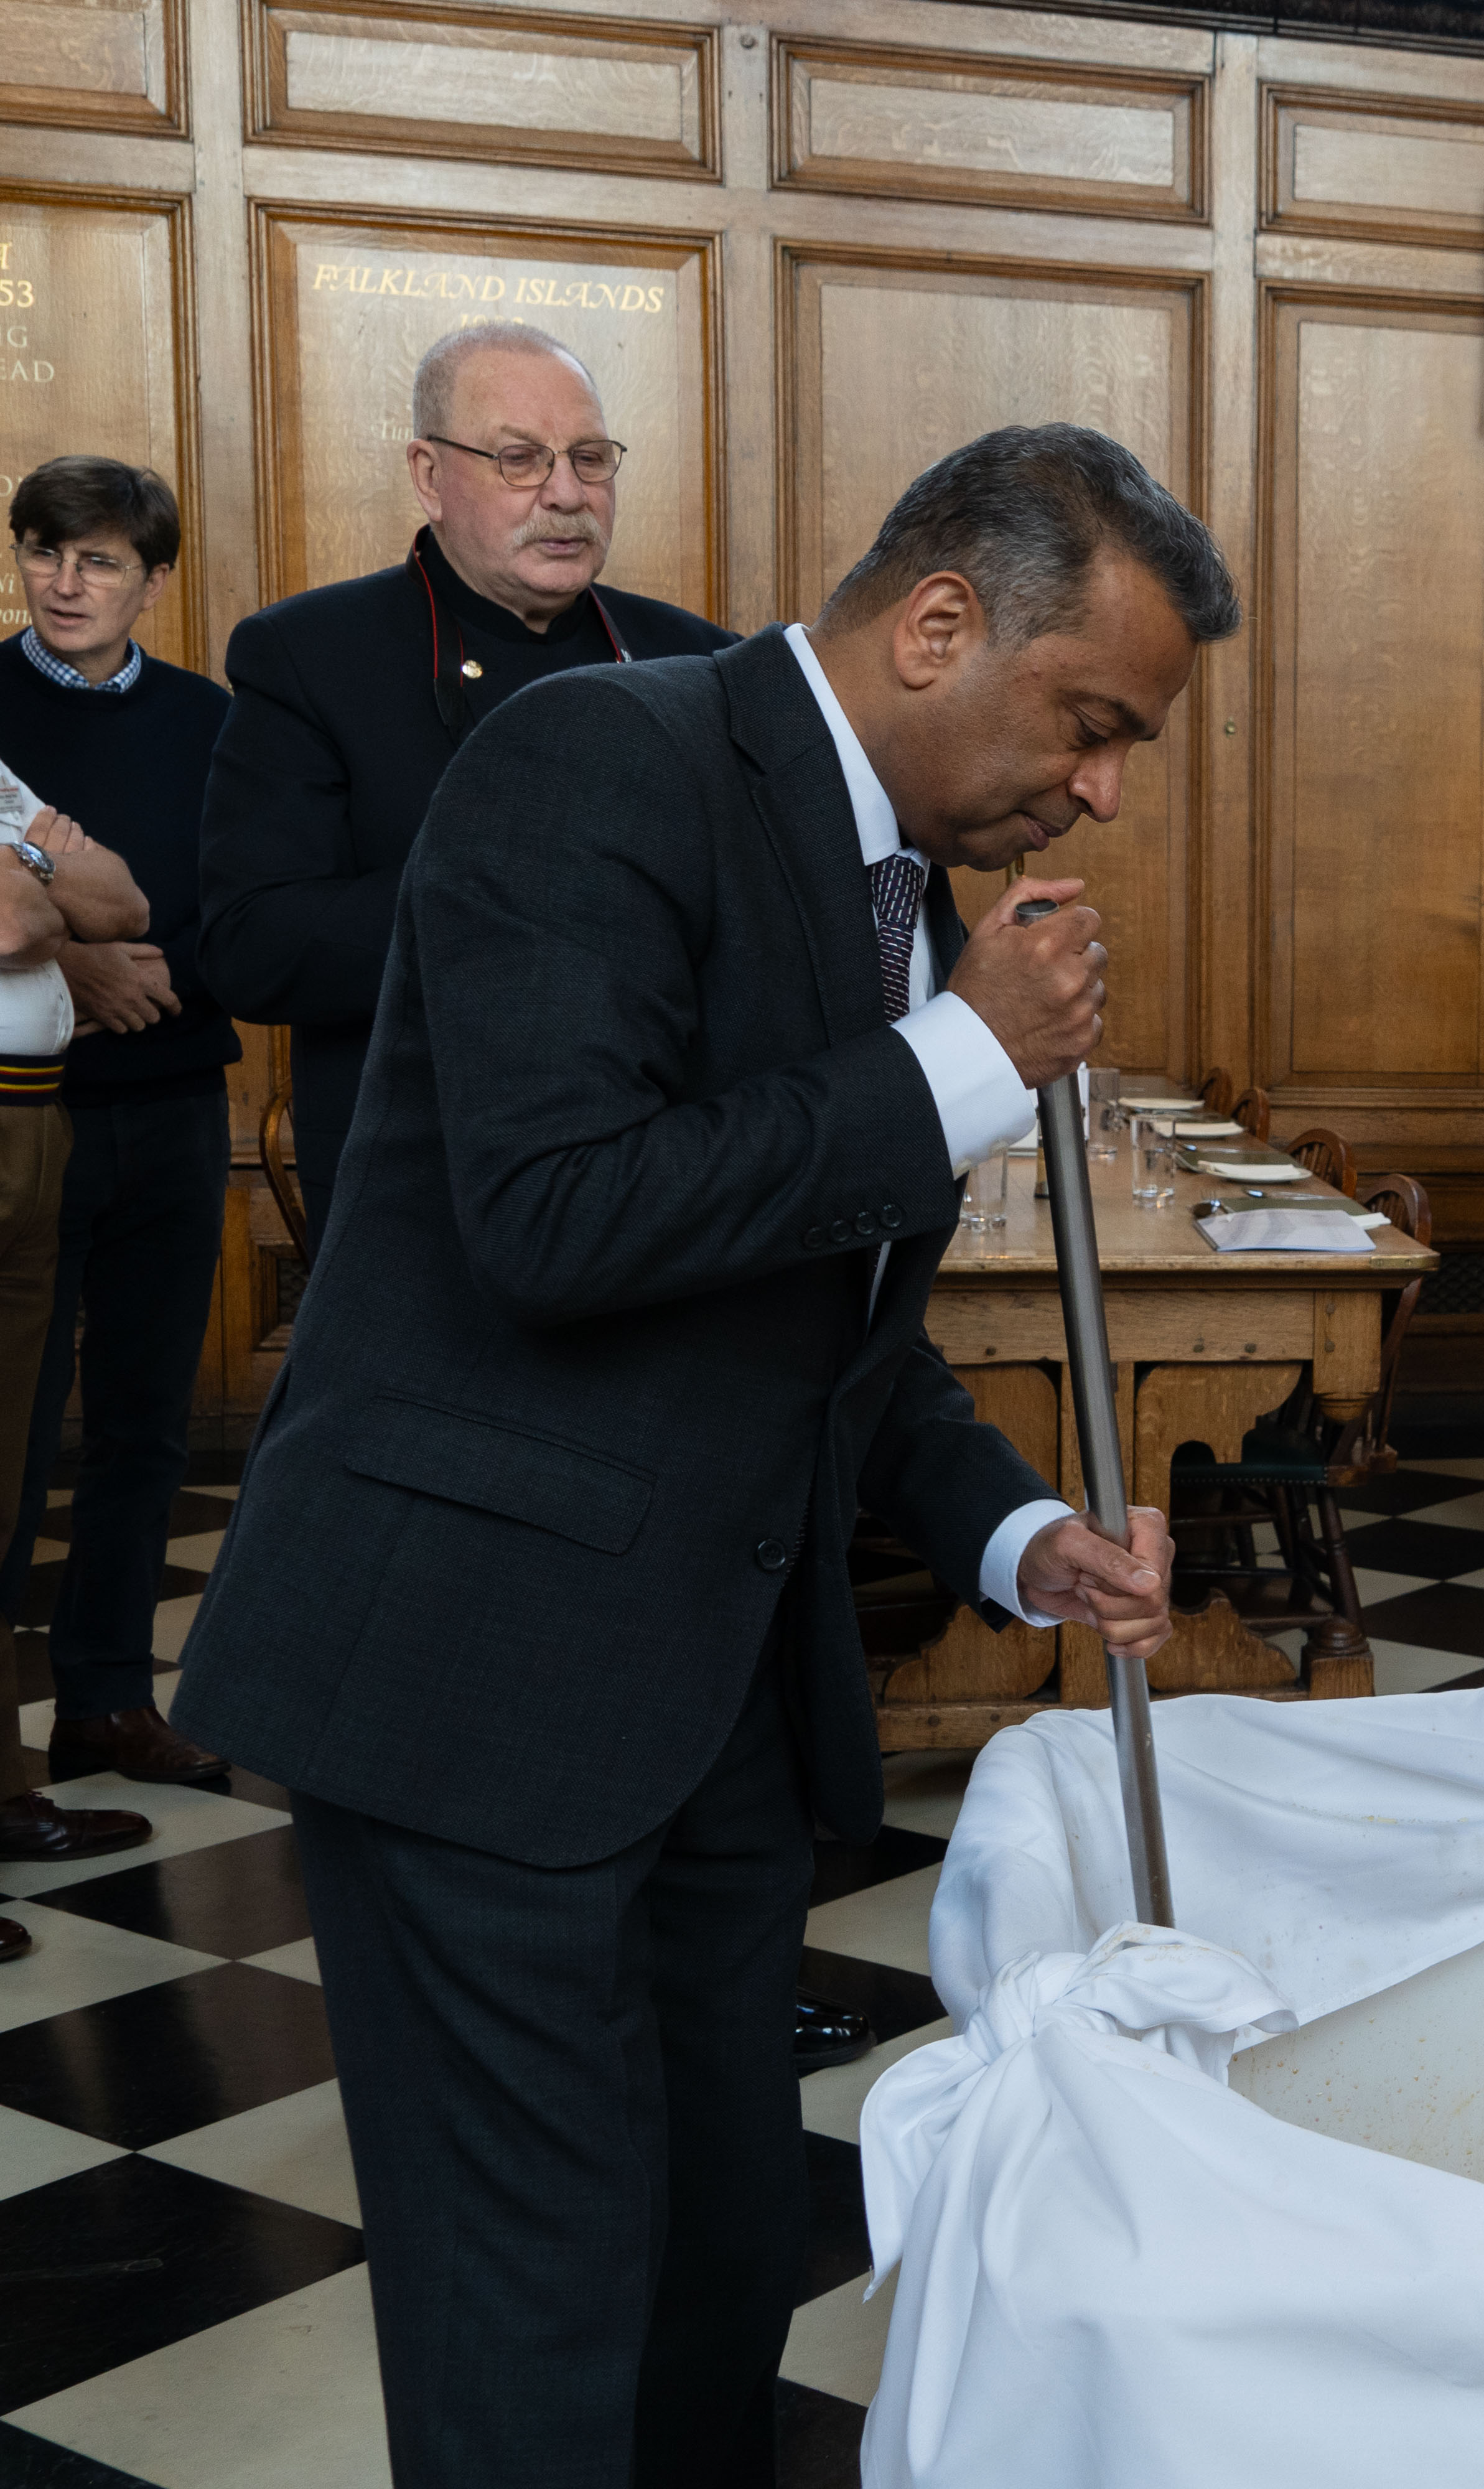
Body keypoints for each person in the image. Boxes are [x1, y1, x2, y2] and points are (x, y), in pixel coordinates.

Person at [167, 422, 1221, 2489]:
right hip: (483, 1679)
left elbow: (819, 1315)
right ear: (942, 624)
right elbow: (558, 1217)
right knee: (533, 2322)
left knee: (719, 2274)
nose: (1103, 788)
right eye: (1093, 722)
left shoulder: (902, 895)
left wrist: (1013, 1534)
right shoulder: (598, 765)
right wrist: (962, 1059)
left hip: (707, 1703)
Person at [200, 319, 736, 1256]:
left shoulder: (705, 662)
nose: (566, 495)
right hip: (416, 1187)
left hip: (659, 1173)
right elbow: (255, 946)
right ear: (428, 475)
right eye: (520, 460)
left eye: (590, 458)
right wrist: (521, 897)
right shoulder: (313, 655)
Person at [0, 455, 241, 1790]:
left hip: (175, 1104)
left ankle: (102, 1698)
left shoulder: (212, 719)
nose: (65, 581)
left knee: (147, 1421)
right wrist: (76, 963)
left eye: (97, 560)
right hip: (27, 1120)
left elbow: (243, 911)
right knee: (14, 1432)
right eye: (44, 552)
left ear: (152, 581)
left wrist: (142, 972)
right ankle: (0, 1742)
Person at [0, 801, 156, 1951]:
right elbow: (17, 919)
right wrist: (50, 880)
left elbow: (128, 905)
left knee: (3, 1495)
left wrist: (42, 879)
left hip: (32, 1118)